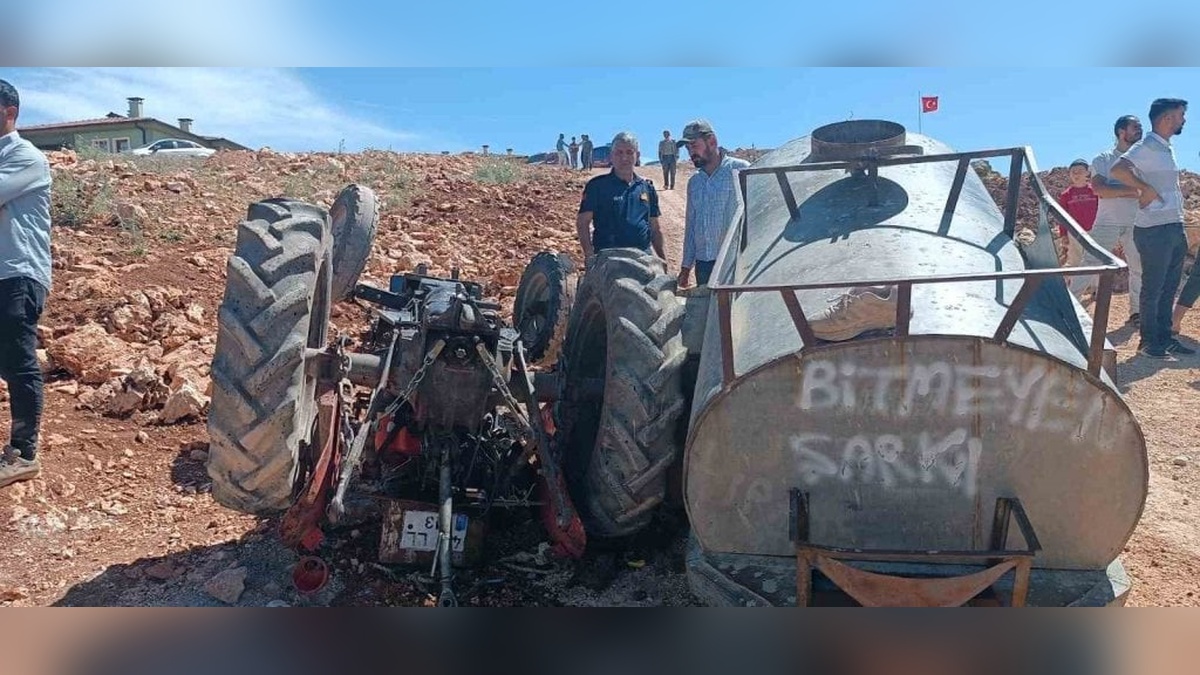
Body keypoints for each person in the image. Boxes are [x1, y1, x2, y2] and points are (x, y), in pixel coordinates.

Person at [1109, 98, 1194, 359]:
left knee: (1169, 288)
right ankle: (1149, 344)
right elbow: (1118, 169)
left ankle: (1165, 339)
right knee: (1153, 288)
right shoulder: (1146, 145)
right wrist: (1144, 189)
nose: (1183, 119)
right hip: (1154, 229)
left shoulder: (1165, 147)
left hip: (1174, 225)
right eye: (1180, 115)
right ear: (1167, 118)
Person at [0, 78, 53, 488]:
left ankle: (24, 454)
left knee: (19, 363)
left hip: (18, 273)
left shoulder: (25, 157)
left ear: (9, 113)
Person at [677, 119, 750, 288]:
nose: (691, 153)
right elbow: (691, 226)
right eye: (688, 148)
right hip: (703, 265)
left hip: (735, 262)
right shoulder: (694, 182)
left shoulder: (740, 170)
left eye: (694, 146)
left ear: (712, 141)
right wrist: (686, 267)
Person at [575, 131, 665, 265]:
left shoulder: (647, 187)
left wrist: (662, 259)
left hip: (643, 258)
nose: (624, 158)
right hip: (608, 259)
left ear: (637, 155)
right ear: (611, 156)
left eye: (629, 152)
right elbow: (583, 223)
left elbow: (655, 228)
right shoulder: (597, 186)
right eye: (619, 153)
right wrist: (589, 255)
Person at [1090, 115, 1145, 326]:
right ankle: (1069, 309)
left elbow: (1148, 191)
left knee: (1139, 268)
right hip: (1107, 222)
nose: (1140, 130)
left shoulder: (1142, 162)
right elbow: (1099, 189)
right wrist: (1133, 190)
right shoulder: (1103, 159)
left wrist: (1116, 190)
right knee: (1090, 263)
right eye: (1135, 127)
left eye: (1140, 127)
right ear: (1121, 132)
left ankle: (1137, 312)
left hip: (1137, 222)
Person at [1055, 159, 1099, 299]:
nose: (1076, 174)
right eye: (1073, 172)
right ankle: (1074, 293)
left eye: (1080, 171)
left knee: (1095, 259)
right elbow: (1062, 217)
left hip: (1094, 231)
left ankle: (1096, 288)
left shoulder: (1095, 191)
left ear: (1087, 173)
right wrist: (1063, 234)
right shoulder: (1066, 195)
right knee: (1075, 261)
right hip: (1075, 233)